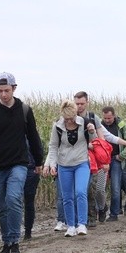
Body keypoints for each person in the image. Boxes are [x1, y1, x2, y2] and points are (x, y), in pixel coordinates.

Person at [0, 72, 43, 253]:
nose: (4, 95)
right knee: (2, 205)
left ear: (14, 89)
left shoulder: (24, 110)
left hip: (19, 163)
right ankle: (6, 242)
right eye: (0, 91)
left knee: (14, 198)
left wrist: (38, 161)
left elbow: (33, 136)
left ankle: (15, 242)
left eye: (7, 90)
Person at [43, 100, 95, 237]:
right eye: (67, 119)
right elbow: (53, 146)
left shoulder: (84, 123)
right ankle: (70, 226)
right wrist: (52, 164)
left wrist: (92, 131)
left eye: (72, 118)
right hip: (64, 165)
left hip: (81, 162)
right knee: (67, 197)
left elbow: (94, 142)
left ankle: (82, 224)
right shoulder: (58, 126)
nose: (70, 121)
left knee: (80, 192)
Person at [73, 91, 106, 226]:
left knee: (92, 188)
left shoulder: (93, 118)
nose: (79, 106)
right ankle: (82, 217)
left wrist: (104, 160)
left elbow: (101, 139)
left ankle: (94, 215)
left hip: (93, 159)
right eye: (77, 104)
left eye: (82, 103)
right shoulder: (71, 118)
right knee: (81, 189)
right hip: (76, 158)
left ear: (87, 102)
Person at [101, 106, 126, 221]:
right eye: (105, 118)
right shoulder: (99, 126)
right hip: (102, 160)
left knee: (116, 188)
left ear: (114, 116)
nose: (107, 120)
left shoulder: (122, 126)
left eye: (109, 118)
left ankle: (114, 213)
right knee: (99, 188)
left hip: (116, 160)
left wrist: (121, 156)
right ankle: (100, 210)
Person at [23, 138, 43, 240]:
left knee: (29, 201)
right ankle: (12, 234)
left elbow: (39, 149)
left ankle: (28, 231)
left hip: (31, 170)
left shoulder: (31, 135)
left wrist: (38, 165)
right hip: (16, 169)